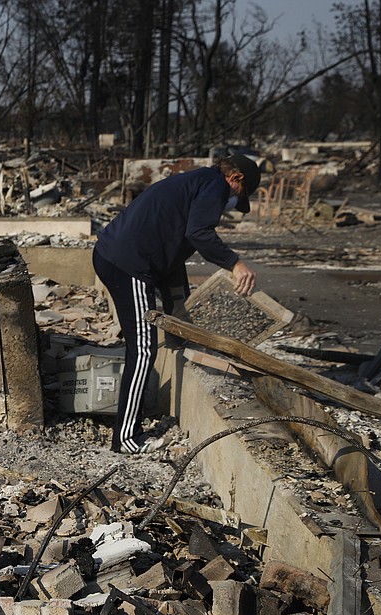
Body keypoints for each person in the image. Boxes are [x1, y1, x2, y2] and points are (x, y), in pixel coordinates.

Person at [93, 154, 261, 454]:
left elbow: (173, 251)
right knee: (143, 349)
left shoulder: (197, 181)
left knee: (145, 344)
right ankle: (126, 438)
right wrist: (235, 265)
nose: (232, 204)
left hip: (118, 256)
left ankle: (126, 431)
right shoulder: (216, 188)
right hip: (128, 264)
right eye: (239, 196)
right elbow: (199, 234)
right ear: (236, 178)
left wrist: (178, 312)